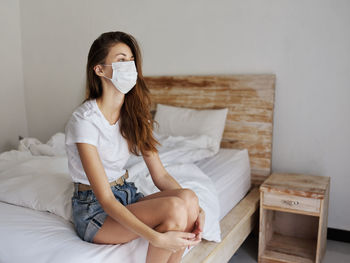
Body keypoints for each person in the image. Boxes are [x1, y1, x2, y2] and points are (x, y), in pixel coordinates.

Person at [64, 31, 205, 263]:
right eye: (121, 60)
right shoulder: (85, 120)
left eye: (131, 60)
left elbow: (160, 175)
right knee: (174, 209)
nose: (129, 66)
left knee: (188, 198)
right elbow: (106, 200)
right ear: (99, 70)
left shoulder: (135, 114)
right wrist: (156, 239)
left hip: (126, 194)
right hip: (95, 210)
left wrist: (197, 209)